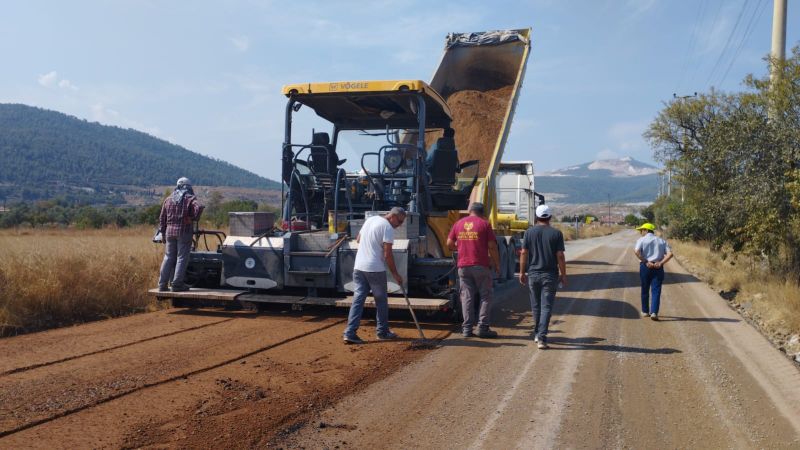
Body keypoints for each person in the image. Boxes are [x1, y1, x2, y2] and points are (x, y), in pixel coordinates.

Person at [343, 207, 407, 344]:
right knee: (381, 301)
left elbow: (359, 239)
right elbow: (387, 254)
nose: (400, 225)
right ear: (393, 217)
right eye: (400, 221)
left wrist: (371, 241)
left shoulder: (371, 220)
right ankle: (382, 332)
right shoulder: (387, 228)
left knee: (358, 299)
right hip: (375, 269)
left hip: (359, 266)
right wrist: (395, 274)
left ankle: (349, 332)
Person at [446, 202, 501, 338]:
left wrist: (460, 248)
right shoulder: (484, 224)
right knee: (485, 295)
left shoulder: (458, 223)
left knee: (466, 297)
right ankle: (482, 327)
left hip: (463, 266)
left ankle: (467, 329)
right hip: (480, 265)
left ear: (470, 211)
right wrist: (497, 264)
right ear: (482, 213)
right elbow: (492, 247)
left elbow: (449, 244)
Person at [519, 204, 566, 349]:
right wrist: (564, 274)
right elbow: (560, 256)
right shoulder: (556, 233)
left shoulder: (529, 232)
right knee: (546, 307)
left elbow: (524, 253)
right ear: (550, 217)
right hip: (549, 275)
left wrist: (521, 272)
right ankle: (542, 338)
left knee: (536, 306)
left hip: (533, 274)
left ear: (536, 217)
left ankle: (537, 334)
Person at [157, 177, 204, 292]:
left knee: (168, 257)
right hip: (184, 232)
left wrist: (162, 233)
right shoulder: (190, 198)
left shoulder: (168, 200)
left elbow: (162, 218)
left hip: (169, 233)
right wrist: (192, 217)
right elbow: (199, 207)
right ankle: (177, 284)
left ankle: (162, 285)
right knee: (181, 257)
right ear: (188, 186)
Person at [633, 223, 673, 320]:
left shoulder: (641, 240)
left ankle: (645, 311)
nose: (640, 232)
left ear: (646, 230)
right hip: (658, 267)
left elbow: (636, 252)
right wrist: (661, 263)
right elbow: (670, 254)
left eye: (641, 230)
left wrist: (646, 261)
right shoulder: (661, 241)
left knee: (645, 289)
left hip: (645, 266)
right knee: (656, 290)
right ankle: (654, 312)